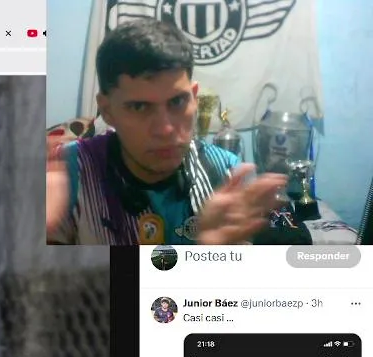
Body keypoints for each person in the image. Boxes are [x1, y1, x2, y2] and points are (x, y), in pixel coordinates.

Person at [46, 19, 287, 246]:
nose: (165, 129)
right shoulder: (68, 173)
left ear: (194, 98)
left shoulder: (227, 175)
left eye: (177, 102)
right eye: (139, 107)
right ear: (107, 110)